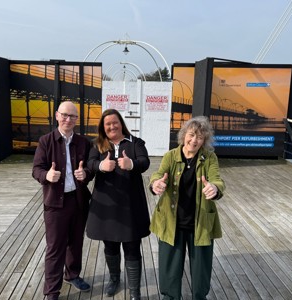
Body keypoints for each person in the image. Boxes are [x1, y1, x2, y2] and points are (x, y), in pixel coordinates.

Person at [149, 116, 225, 300]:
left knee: (201, 269)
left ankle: (199, 297)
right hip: (171, 221)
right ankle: (170, 297)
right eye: (191, 135)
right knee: (169, 267)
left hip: (200, 223)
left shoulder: (209, 158)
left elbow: (217, 179)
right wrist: (156, 184)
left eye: (200, 137)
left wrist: (214, 188)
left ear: (204, 140)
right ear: (184, 136)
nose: (194, 140)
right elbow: (158, 174)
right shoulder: (171, 156)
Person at [32, 101, 95, 300]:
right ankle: (51, 290)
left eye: (73, 116)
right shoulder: (46, 141)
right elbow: (36, 169)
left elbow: (91, 169)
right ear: (57, 116)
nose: (68, 119)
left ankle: (72, 275)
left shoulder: (84, 142)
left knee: (76, 242)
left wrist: (85, 173)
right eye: (65, 115)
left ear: (77, 119)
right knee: (55, 247)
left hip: (78, 200)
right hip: (55, 203)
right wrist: (46, 176)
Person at [86, 109, 150, 300]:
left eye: (115, 122)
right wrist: (100, 166)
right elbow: (90, 163)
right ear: (103, 128)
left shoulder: (135, 142)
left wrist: (131, 164)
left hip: (131, 205)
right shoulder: (97, 144)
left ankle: (134, 291)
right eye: (108, 124)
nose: (112, 126)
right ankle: (114, 279)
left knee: (132, 247)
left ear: (121, 123)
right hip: (106, 205)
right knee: (110, 246)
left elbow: (144, 161)